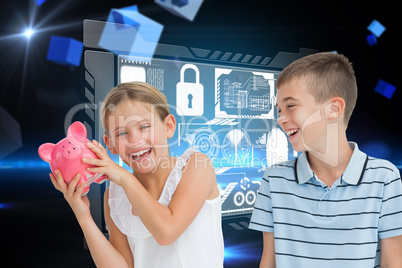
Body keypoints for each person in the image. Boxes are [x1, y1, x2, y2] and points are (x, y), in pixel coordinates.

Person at [249, 52, 402, 267]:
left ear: (334, 109)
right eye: (279, 110)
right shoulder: (274, 180)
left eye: (291, 106)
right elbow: (269, 262)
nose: (281, 119)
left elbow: (393, 262)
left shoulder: (384, 178)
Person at [50, 81, 224, 268]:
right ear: (111, 144)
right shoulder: (115, 196)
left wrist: (125, 178)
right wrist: (83, 216)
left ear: (169, 126)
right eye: (122, 133)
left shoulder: (196, 166)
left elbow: (167, 231)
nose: (135, 140)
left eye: (144, 127)